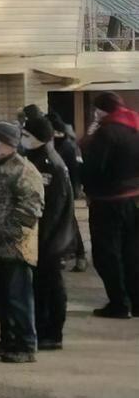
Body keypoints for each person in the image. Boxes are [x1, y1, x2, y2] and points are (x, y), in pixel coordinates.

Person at [0, 122, 45, 364]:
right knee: (1, 300)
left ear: (8, 144)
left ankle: (25, 344)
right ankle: (8, 339)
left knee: (18, 299)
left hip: (15, 248)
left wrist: (8, 233)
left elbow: (30, 209)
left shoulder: (23, 171)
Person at [80, 92, 139, 318]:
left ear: (101, 109)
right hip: (134, 198)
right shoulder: (135, 126)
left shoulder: (106, 132)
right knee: (132, 253)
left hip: (108, 201)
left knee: (108, 254)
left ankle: (119, 303)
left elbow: (94, 169)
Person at [23, 115, 74, 350]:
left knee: (51, 287)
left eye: (26, 136)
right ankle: (43, 329)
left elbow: (52, 208)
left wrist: (41, 239)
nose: (23, 139)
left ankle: (53, 333)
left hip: (50, 239)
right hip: (43, 237)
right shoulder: (36, 158)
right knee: (41, 287)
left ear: (39, 138)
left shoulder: (49, 164)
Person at [48, 111, 88, 272]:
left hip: (67, 189)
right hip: (62, 189)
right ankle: (71, 255)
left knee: (69, 222)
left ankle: (78, 255)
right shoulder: (61, 143)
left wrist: (75, 189)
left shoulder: (66, 145)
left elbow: (74, 170)